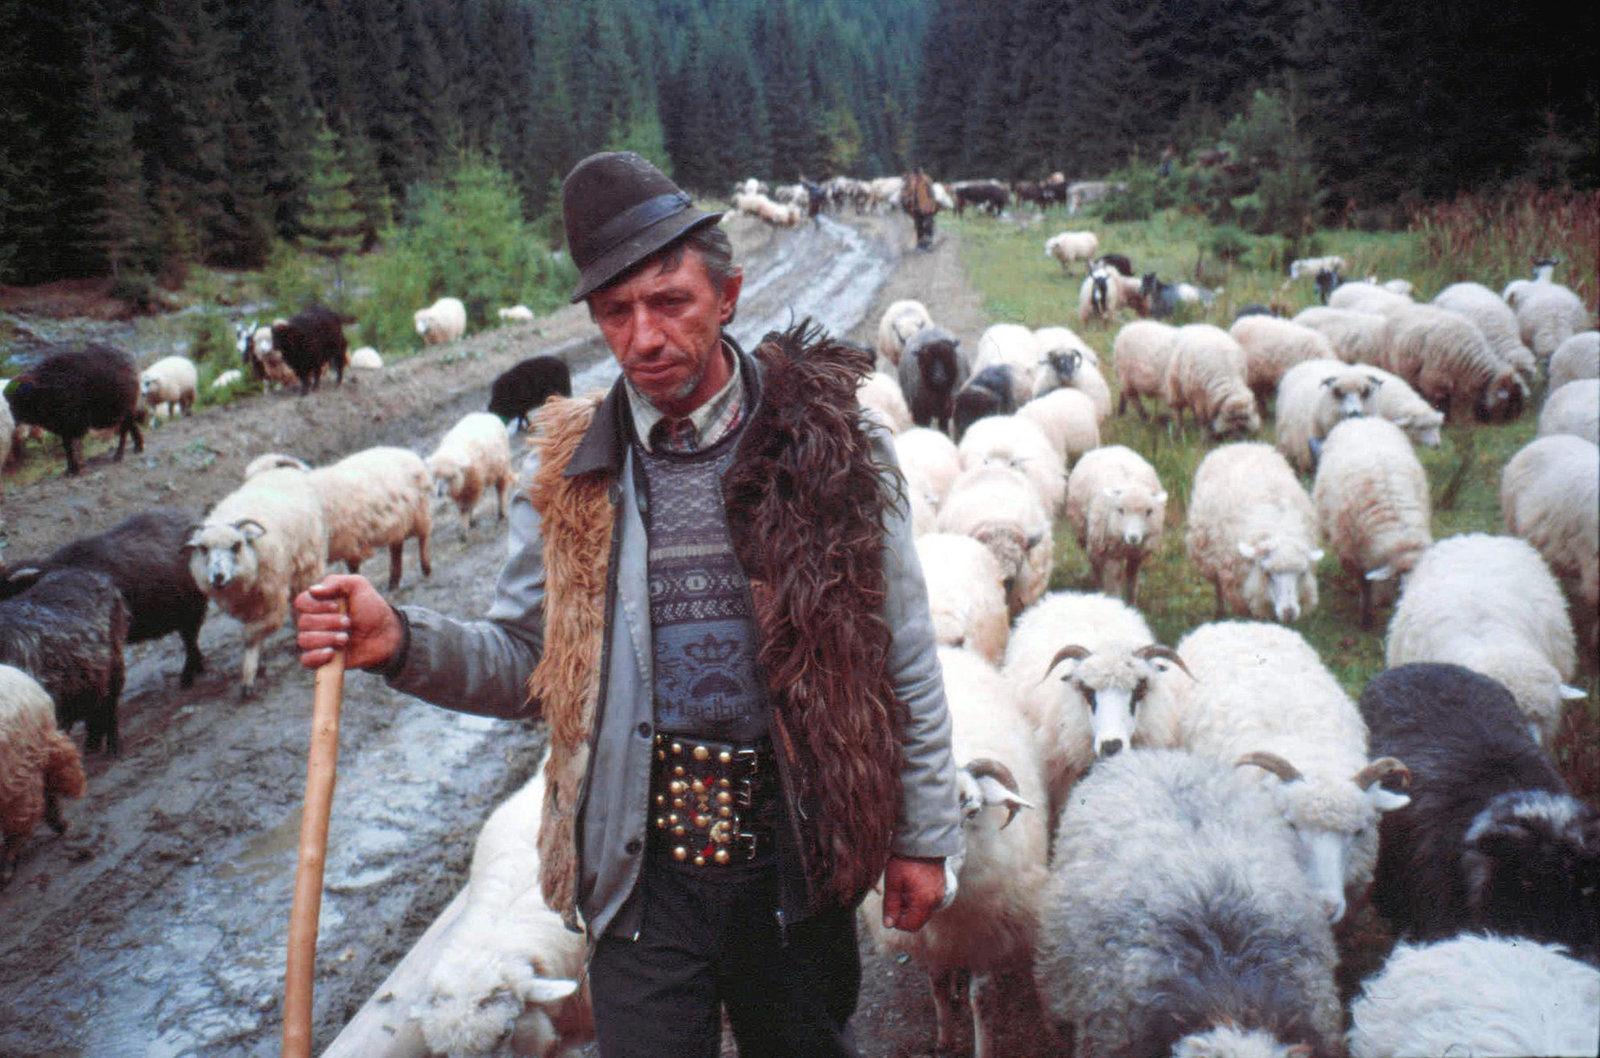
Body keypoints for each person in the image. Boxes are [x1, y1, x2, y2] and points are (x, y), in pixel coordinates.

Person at [293, 150, 962, 1058]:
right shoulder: (570, 476)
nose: (644, 336)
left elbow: (903, 654)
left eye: (669, 301)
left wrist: (922, 834)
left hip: (797, 860)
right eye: (616, 312)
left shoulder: (830, 446)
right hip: (644, 879)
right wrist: (401, 640)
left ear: (726, 296)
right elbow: (533, 665)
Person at [900, 168, 939, 251]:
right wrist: (905, 196)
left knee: (928, 224)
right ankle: (920, 244)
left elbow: (932, 194)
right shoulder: (912, 181)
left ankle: (929, 243)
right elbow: (909, 192)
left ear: (920, 174)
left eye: (917, 175)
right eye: (915, 175)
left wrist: (931, 204)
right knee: (918, 226)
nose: (916, 176)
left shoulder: (926, 180)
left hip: (927, 207)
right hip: (916, 208)